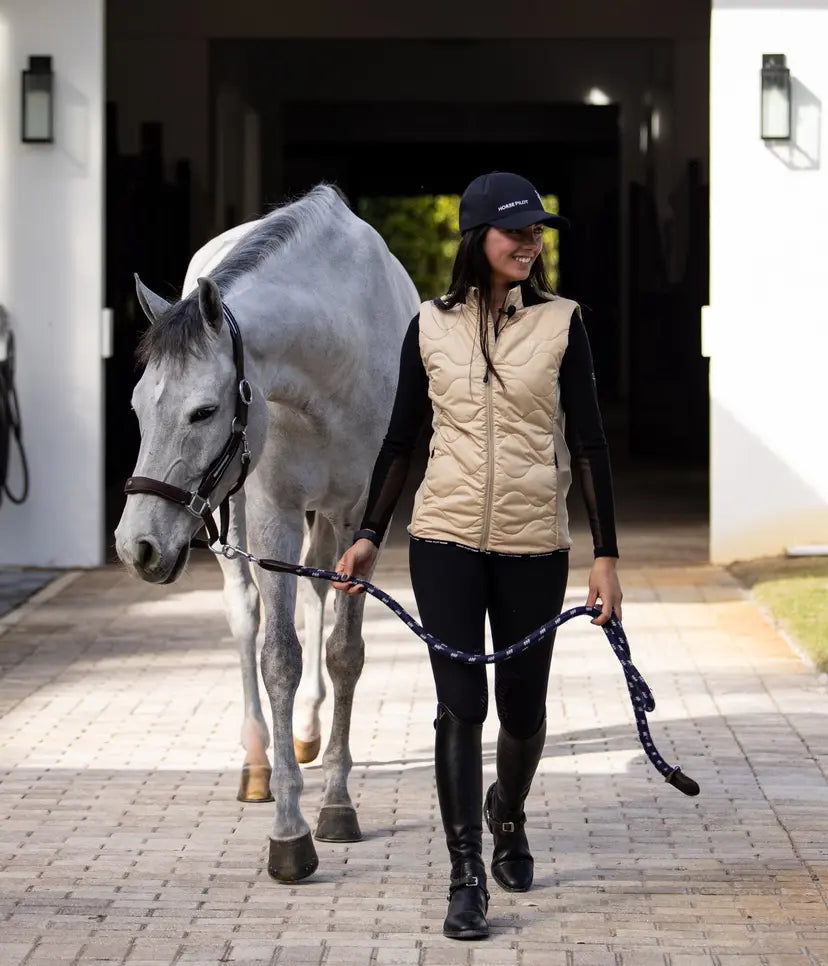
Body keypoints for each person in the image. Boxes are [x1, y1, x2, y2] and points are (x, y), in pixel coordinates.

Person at [333, 171, 622, 941]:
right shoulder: (429, 325)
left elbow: (590, 444)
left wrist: (606, 556)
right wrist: (366, 533)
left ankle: (510, 812)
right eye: (515, 232)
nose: (530, 243)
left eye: (536, 233)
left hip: (534, 543)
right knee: (462, 706)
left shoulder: (564, 323)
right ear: (478, 240)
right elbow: (399, 441)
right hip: (445, 542)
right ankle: (465, 874)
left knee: (523, 712)